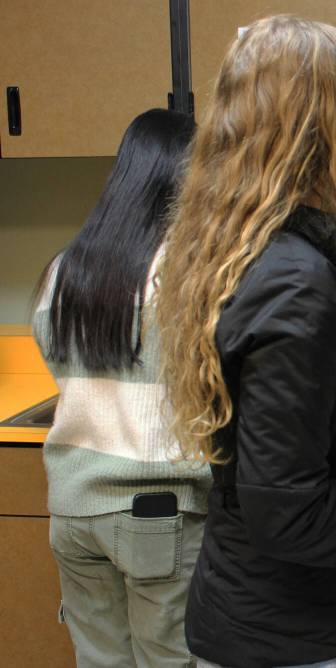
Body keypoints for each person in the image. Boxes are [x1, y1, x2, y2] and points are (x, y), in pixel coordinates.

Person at [156, 16, 336, 668]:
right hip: (290, 640)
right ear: (331, 128)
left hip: (270, 619)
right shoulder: (297, 282)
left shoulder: (251, 249)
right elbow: (288, 514)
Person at [31, 108, 207, 667]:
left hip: (73, 509)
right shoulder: (184, 276)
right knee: (170, 660)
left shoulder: (65, 269)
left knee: (99, 660)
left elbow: (53, 357)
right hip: (160, 510)